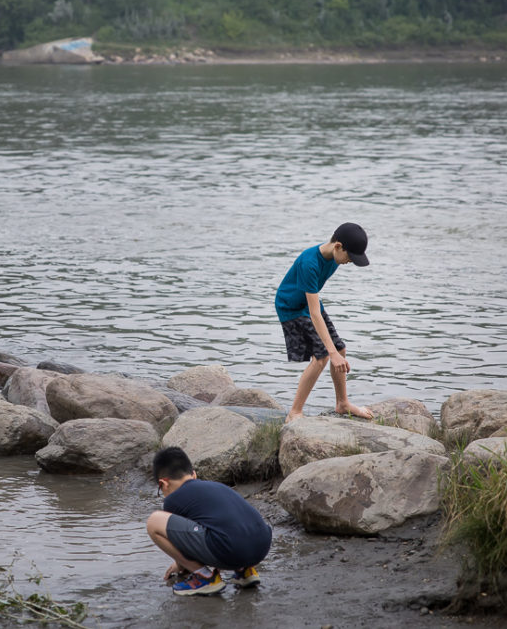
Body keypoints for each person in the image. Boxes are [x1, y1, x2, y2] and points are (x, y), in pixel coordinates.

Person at [275, 222, 373, 423]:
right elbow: (313, 313)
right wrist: (331, 353)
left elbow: (314, 305)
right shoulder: (309, 263)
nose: (350, 262)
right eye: (350, 257)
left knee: (341, 349)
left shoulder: (334, 258)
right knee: (321, 356)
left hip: (309, 303)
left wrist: (336, 352)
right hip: (291, 306)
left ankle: (342, 404)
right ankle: (294, 412)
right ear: (338, 246)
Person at [146, 446, 272, 596]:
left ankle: (204, 577)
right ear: (194, 474)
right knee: (222, 525)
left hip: (231, 550)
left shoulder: (173, 499)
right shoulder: (216, 486)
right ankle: (245, 571)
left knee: (154, 521)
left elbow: (183, 541)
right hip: (262, 545)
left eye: (162, 491)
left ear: (163, 484)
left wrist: (181, 564)